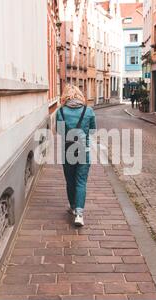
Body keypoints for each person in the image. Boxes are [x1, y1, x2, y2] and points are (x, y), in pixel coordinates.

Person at [57, 85, 97, 227]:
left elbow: (60, 133)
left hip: (67, 151)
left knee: (70, 181)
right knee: (81, 181)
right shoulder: (89, 111)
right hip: (83, 151)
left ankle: (73, 207)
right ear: (80, 96)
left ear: (65, 96)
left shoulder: (60, 111)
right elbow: (92, 131)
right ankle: (79, 214)